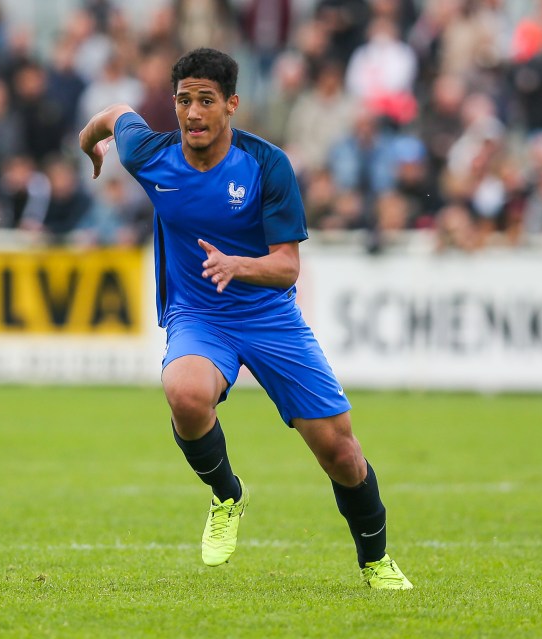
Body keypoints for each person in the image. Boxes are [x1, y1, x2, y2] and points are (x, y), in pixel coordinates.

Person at [78, 47, 412, 589]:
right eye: (183, 100)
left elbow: (286, 268)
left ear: (231, 104)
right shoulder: (150, 155)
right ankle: (227, 496)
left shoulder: (267, 165)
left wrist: (240, 265)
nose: (192, 113)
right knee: (184, 392)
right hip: (198, 313)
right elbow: (115, 115)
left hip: (268, 315)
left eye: (205, 101)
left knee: (341, 452)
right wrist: (88, 142)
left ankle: (375, 560)